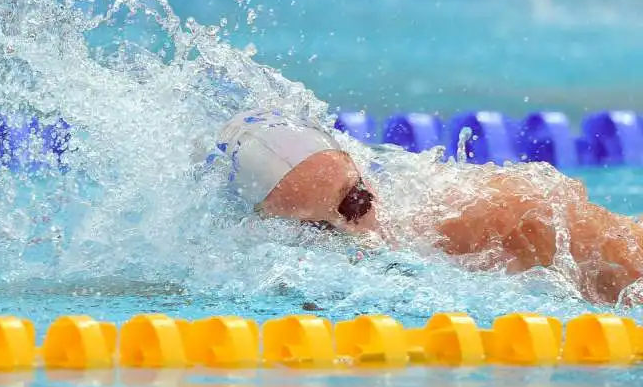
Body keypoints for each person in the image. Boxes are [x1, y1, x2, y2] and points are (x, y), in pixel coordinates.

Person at [214, 108, 643, 305]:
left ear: (363, 171)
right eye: (316, 230)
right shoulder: (266, 279)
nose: (357, 233)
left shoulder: (495, 210)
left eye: (354, 201)